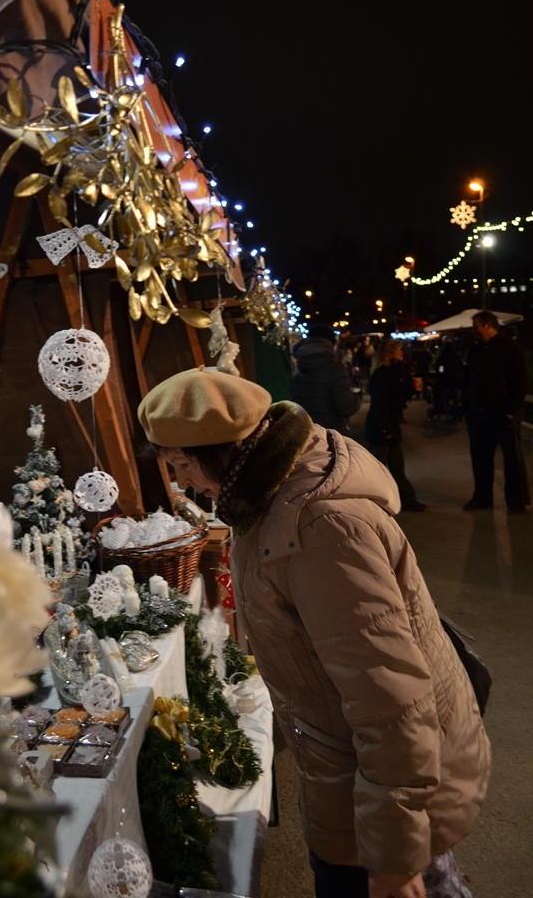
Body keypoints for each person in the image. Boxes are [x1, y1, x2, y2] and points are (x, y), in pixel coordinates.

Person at [138, 368, 490, 898]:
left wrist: (394, 856)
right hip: (352, 776)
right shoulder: (269, 493)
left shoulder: (317, 525)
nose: (180, 482)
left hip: (372, 787)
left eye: (183, 464)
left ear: (225, 450)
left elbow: (389, 696)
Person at [462, 310, 530, 513]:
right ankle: (482, 497)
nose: (474, 332)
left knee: (511, 458)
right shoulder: (476, 351)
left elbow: (520, 381)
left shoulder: (509, 348)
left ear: (489, 326)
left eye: (477, 327)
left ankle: (516, 501)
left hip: (502, 413)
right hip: (480, 413)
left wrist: (510, 410)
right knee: (481, 457)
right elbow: (469, 380)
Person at [365, 338, 426, 511]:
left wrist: (411, 389)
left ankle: (407, 499)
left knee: (397, 466)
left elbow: (396, 399)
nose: (402, 353)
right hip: (383, 427)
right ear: (391, 352)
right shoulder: (382, 373)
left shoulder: (392, 371)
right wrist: (384, 428)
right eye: (399, 350)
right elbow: (380, 403)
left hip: (389, 425)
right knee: (376, 467)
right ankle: (367, 499)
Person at [291, 324, 362, 433]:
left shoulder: (298, 366)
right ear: (331, 343)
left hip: (304, 432)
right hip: (329, 434)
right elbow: (346, 407)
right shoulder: (335, 369)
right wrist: (358, 397)